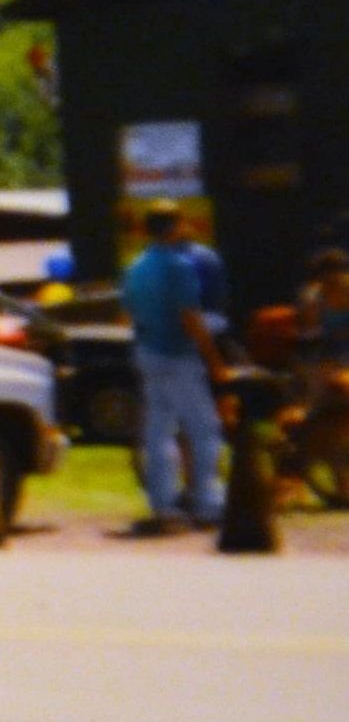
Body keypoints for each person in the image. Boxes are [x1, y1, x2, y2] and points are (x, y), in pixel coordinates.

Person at [122, 204, 226, 534]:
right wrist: (214, 361)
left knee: (158, 430)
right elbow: (190, 317)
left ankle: (162, 505)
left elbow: (128, 312)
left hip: (147, 351)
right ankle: (206, 502)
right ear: (176, 227)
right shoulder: (180, 266)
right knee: (204, 429)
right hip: (179, 354)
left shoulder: (135, 266)